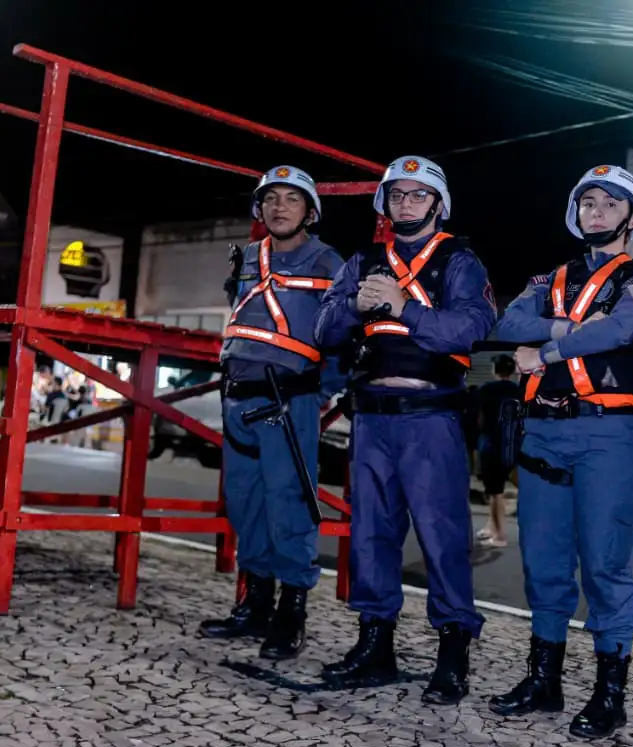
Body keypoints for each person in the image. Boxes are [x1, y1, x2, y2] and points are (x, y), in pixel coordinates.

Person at [489, 165, 633, 740]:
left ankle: (609, 696)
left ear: (632, 217)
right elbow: (508, 322)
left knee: (606, 567)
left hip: (609, 435)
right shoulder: (551, 278)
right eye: (588, 202)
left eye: (611, 203)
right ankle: (544, 682)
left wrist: (544, 351)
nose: (597, 211)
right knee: (543, 563)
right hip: (544, 432)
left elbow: (626, 326)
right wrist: (569, 327)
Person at [314, 155, 495, 705]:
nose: (406, 203)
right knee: (370, 535)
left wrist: (403, 307)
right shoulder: (363, 260)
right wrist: (353, 305)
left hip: (430, 416)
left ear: (439, 204)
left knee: (443, 538)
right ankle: (375, 645)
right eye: (397, 194)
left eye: (419, 195)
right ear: (384, 204)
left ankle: (453, 653)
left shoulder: (459, 260)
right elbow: (323, 329)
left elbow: (473, 327)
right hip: (371, 417)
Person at [198, 165, 345, 661]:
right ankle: (255, 606)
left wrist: (322, 391)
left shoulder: (328, 261)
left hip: (288, 400)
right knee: (245, 504)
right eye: (271, 198)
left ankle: (290, 614)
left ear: (310, 211)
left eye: (292, 199)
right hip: (238, 398)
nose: (280, 207)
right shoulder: (247, 257)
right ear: (259, 208)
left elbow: (343, 333)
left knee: (289, 506)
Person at [474, 354, 521, 547]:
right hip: (513, 443)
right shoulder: (519, 390)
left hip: (492, 443)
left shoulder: (486, 389)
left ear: (494, 370)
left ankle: (499, 535)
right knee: (498, 488)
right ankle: (491, 526)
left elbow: (479, 417)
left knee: (494, 491)